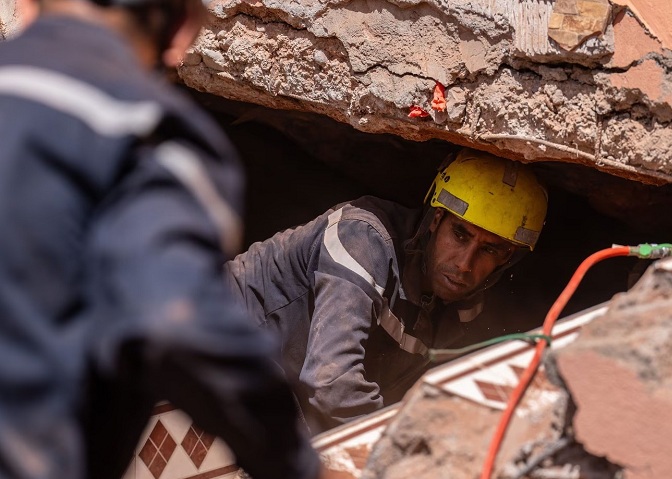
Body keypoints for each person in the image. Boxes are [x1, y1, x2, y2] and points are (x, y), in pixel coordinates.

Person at [0, 1, 321, 479]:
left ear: (25, 8)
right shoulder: (143, 134)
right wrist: (296, 466)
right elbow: (174, 321)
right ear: (182, 31)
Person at [226, 148, 549, 433]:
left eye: (489, 250)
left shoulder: (464, 309)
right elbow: (331, 382)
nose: (465, 264)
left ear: (507, 258)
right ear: (436, 220)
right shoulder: (363, 238)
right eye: (460, 235)